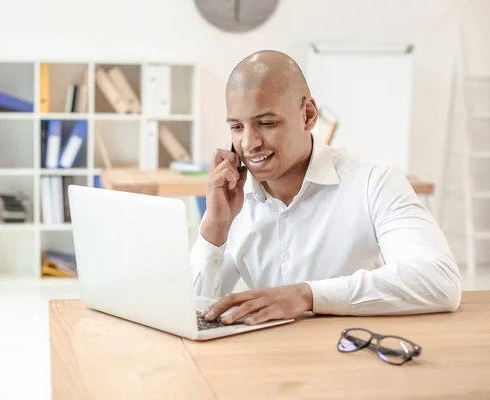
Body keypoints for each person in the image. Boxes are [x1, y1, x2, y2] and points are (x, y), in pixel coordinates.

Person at [191, 50, 461, 326]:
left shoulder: (374, 182)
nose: (249, 143)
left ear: (308, 115)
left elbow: (440, 280)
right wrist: (216, 226)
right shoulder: (235, 197)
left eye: (267, 123)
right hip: (269, 360)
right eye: (237, 127)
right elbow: (190, 311)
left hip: (356, 352)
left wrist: (307, 295)